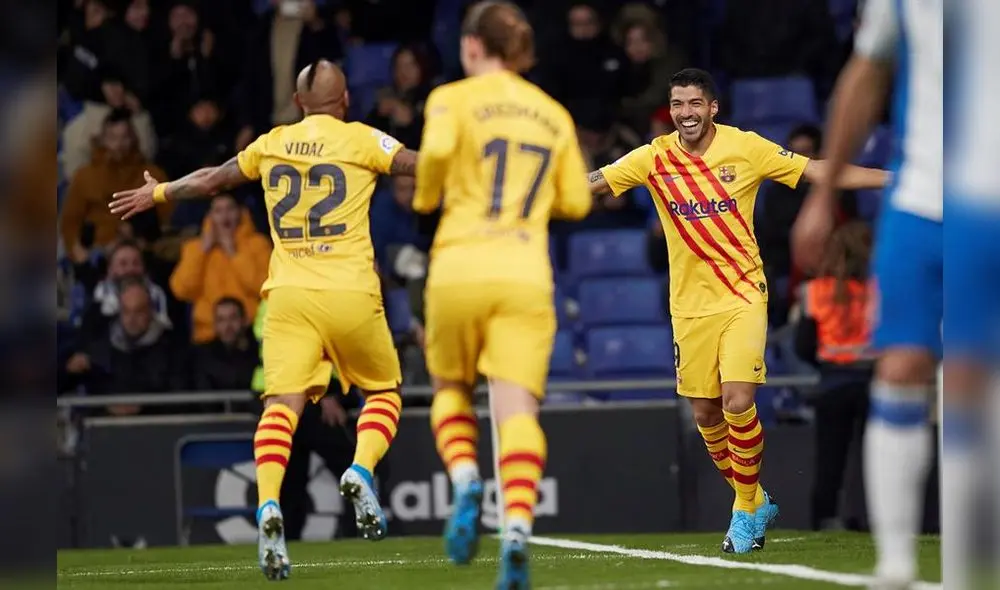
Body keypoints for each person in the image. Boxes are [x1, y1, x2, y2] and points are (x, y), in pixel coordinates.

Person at [109, 59, 419, 580]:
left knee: (281, 407)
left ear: (297, 103)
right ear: (345, 101)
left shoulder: (272, 143)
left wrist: (158, 192)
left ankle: (268, 503)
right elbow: (416, 164)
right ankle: (361, 470)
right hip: (349, 290)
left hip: (288, 296)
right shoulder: (362, 139)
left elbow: (211, 181)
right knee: (383, 392)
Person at [588, 67, 888, 555]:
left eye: (694, 103)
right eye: (677, 104)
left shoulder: (745, 148)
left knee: (736, 400)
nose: (686, 113)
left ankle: (744, 511)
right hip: (689, 307)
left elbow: (817, 170)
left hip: (743, 294)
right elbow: (594, 184)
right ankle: (755, 498)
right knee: (706, 413)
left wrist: (894, 179)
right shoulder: (653, 157)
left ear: (713, 108)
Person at [412, 3, 591, 587]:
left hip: (459, 267)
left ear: (471, 45)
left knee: (451, 389)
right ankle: (515, 526)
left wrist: (428, 196)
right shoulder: (553, 114)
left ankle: (466, 478)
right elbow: (577, 201)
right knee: (518, 411)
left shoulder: (451, 98)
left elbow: (435, 161)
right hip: (524, 274)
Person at [790, 0, 942, 587]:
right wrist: (824, 194)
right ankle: (895, 563)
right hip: (923, 197)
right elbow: (866, 71)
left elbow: (805, 342)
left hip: (986, 201)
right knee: (902, 368)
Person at [792, 221, 875, 531]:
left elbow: (803, 345)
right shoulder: (876, 291)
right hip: (870, 385)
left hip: (832, 385)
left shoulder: (815, 291)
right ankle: (868, 518)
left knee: (829, 459)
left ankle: (823, 519)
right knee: (871, 459)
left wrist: (827, 363)